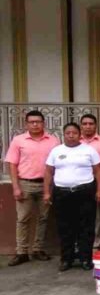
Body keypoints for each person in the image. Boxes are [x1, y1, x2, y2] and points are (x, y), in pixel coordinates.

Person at [43, 123, 100, 271]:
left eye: (74, 133)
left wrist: (99, 190)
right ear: (64, 134)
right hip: (62, 193)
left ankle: (85, 259)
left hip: (85, 191)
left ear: (79, 134)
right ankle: (66, 259)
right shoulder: (56, 151)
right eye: (68, 133)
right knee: (65, 227)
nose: (71, 135)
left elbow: (98, 172)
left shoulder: (89, 150)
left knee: (86, 226)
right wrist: (46, 192)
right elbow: (49, 173)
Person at [4, 110, 60, 266]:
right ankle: (22, 252)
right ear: (26, 124)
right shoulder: (18, 140)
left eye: (38, 121)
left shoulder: (53, 141)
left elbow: (58, 163)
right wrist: (15, 186)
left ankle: (38, 249)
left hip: (46, 184)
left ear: (44, 123)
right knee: (23, 219)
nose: (35, 124)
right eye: (31, 122)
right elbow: (12, 164)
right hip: (25, 183)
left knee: (43, 218)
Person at [79, 114, 100, 250]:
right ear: (81, 125)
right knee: (80, 214)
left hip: (97, 182)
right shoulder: (74, 142)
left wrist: (88, 171)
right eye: (85, 124)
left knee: (99, 215)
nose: (88, 126)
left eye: (91, 124)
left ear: (96, 125)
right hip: (78, 183)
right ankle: (81, 245)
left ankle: (97, 245)